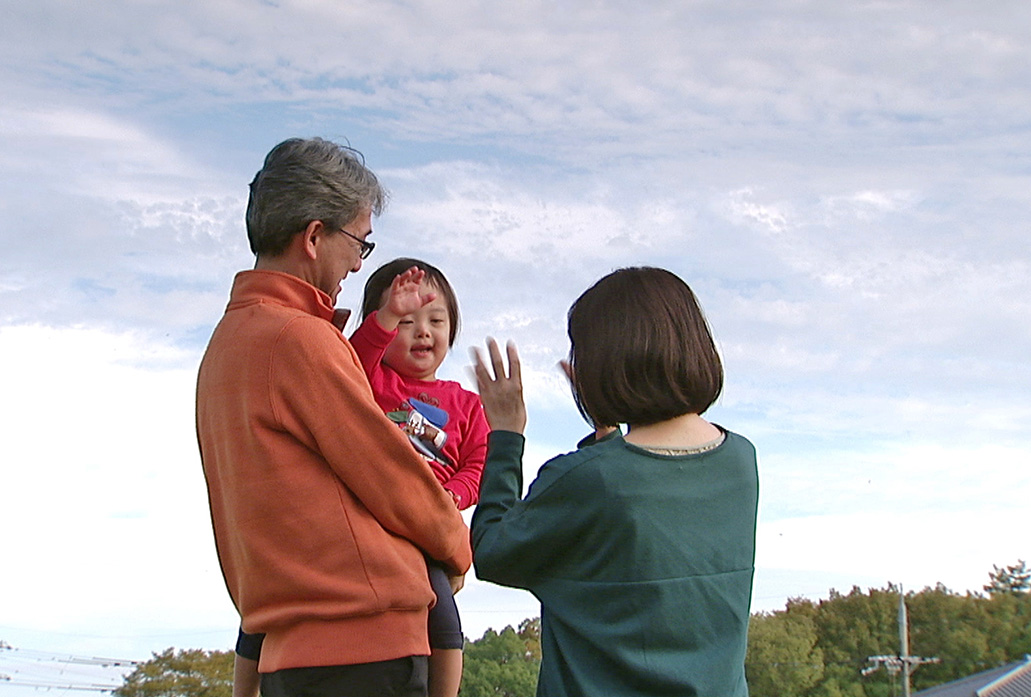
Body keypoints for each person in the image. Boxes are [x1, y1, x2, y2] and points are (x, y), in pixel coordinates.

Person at [197, 137, 472, 697]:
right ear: (315, 236)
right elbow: (389, 471)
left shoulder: (228, 343)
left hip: (288, 652)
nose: (357, 261)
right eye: (359, 242)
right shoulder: (297, 338)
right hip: (362, 652)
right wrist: (455, 547)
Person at [469, 266, 759, 697]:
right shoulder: (741, 461)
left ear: (601, 365)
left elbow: (493, 551)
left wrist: (507, 435)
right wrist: (606, 431)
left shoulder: (585, 479)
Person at [235, 258, 488, 697]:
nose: (423, 331)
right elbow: (355, 356)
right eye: (406, 321)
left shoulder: (465, 403)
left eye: (436, 319)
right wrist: (384, 318)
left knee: (444, 617)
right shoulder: (367, 378)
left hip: (423, 528)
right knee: (268, 603)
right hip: (360, 516)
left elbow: (479, 460)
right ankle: (242, 689)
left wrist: (453, 494)